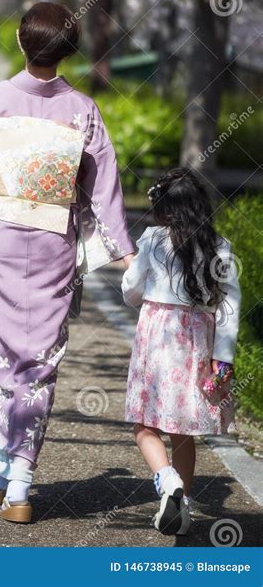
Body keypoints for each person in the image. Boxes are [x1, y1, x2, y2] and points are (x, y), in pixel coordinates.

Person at [0, 2, 134, 523]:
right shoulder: (82, 109)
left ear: (25, 46)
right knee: (40, 360)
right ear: (68, 51)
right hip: (51, 240)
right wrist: (124, 247)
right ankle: (22, 482)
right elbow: (104, 186)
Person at [122, 168, 240, 536]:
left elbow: (131, 289)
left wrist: (139, 290)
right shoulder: (220, 247)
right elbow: (229, 306)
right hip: (197, 345)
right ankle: (182, 507)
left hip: (157, 337)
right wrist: (223, 357)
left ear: (165, 210)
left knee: (145, 425)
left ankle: (165, 479)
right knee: (183, 432)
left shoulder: (154, 239)